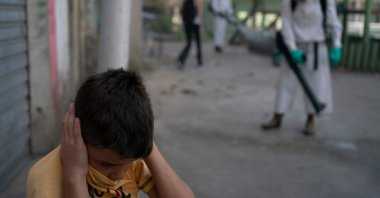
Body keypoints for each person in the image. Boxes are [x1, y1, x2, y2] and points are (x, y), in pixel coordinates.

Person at [27, 69, 195, 198]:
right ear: (77, 138)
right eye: (105, 165)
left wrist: (148, 148)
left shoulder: (127, 159)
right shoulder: (45, 180)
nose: (120, 175)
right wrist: (75, 175)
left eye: (128, 164)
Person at [262, 0, 342, 136]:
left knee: (315, 85)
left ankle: (310, 120)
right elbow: (286, 25)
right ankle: (278, 116)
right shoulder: (289, 2)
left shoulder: (324, 2)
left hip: (317, 46)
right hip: (294, 45)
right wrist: (292, 49)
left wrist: (336, 45)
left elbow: (334, 24)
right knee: (285, 82)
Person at [176, 0, 203, 70]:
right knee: (195, 42)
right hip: (192, 21)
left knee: (192, 42)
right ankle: (182, 59)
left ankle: (181, 59)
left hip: (189, 21)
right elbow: (199, 8)